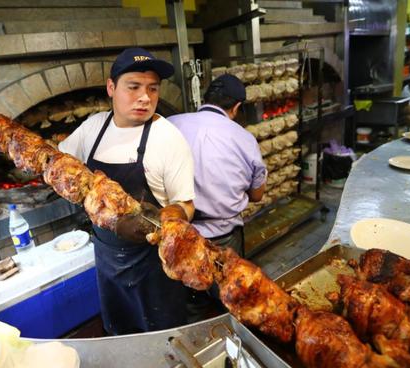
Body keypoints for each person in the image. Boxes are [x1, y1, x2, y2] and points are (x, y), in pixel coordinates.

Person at [58, 47, 196, 335]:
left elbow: (186, 205)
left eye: (153, 89)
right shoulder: (93, 127)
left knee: (163, 339)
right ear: (111, 88)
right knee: (118, 331)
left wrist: (164, 220)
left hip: (153, 268)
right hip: (106, 257)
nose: (145, 97)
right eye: (133, 87)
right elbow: (59, 165)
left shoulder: (167, 138)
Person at [168, 74, 267, 323]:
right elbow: (257, 195)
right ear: (236, 107)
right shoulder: (244, 138)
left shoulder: (170, 124)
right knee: (232, 299)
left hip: (181, 235)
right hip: (224, 236)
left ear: (206, 99)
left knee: (192, 303)